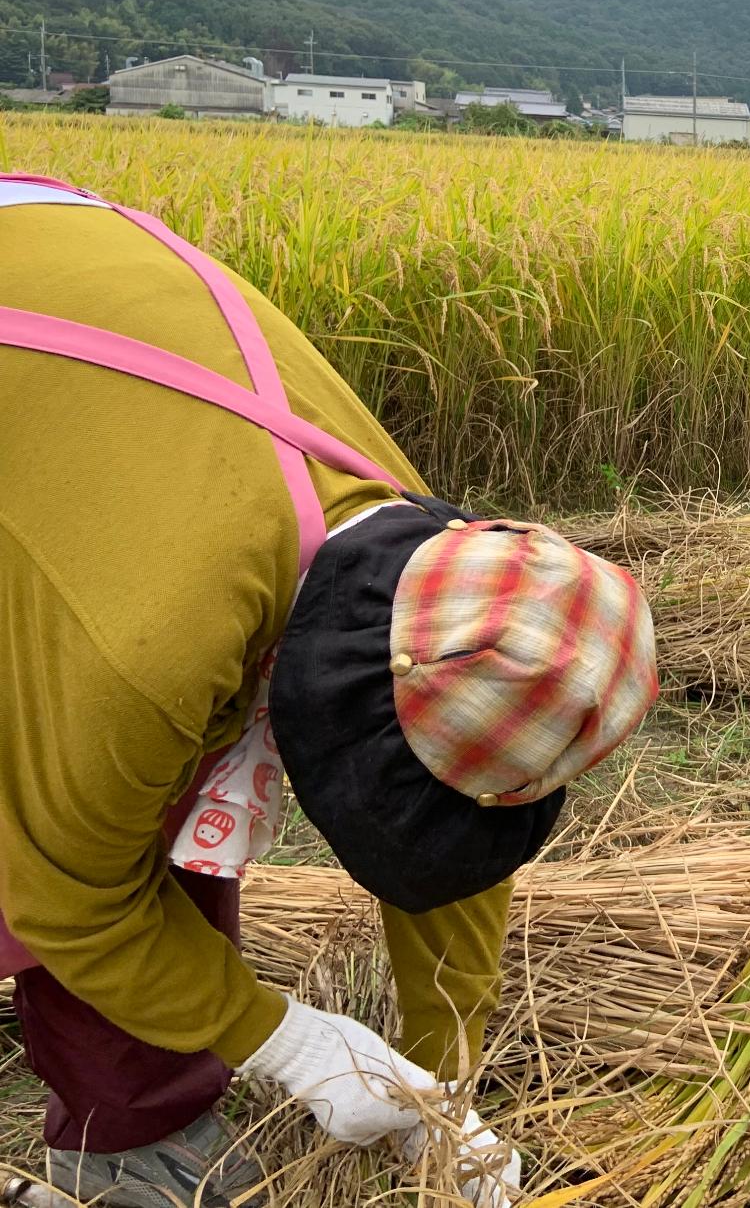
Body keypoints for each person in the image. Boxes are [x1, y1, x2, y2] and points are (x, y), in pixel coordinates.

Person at [0, 174, 659, 1206]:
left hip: (64, 335)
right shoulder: (154, 646)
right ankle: (119, 1156)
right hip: (42, 377)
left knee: (147, 802)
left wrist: (444, 1079)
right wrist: (291, 1043)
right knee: (70, 821)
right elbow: (70, 893)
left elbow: (461, 812)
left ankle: (135, 1123)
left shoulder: (431, 573)